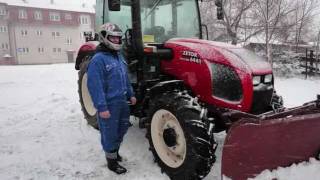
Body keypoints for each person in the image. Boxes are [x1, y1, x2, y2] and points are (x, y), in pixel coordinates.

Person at [87, 23, 137, 174]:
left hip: (122, 102)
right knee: (110, 133)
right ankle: (111, 162)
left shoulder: (119, 57)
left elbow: (125, 79)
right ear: (104, 37)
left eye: (118, 38)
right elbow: (95, 86)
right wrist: (102, 108)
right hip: (109, 105)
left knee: (121, 129)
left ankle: (115, 153)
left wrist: (131, 94)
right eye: (113, 38)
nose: (116, 41)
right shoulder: (98, 60)